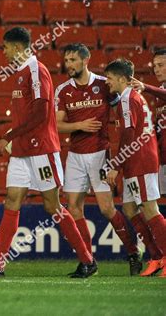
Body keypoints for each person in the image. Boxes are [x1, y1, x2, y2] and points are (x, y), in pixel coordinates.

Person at [0, 27, 96, 279]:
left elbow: (40, 114)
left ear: (16, 47)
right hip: (22, 151)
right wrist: (13, 138)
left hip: (41, 149)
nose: (3, 52)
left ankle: (87, 260)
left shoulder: (36, 71)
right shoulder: (19, 73)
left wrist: (7, 137)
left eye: (5, 47)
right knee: (12, 200)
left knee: (52, 205)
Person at [55, 44, 141, 275]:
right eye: (66, 60)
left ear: (85, 60)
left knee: (106, 208)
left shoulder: (105, 85)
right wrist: (79, 125)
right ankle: (88, 261)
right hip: (75, 155)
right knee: (73, 208)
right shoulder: (63, 90)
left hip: (100, 154)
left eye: (73, 60)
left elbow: (124, 106)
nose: (69, 64)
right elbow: (56, 124)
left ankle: (133, 253)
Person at [104, 58, 166, 278]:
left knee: (150, 209)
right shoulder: (126, 98)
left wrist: (115, 166)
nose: (107, 83)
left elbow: (129, 136)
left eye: (110, 78)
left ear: (122, 79)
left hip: (140, 160)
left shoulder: (129, 99)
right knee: (130, 209)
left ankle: (164, 256)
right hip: (134, 161)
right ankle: (156, 256)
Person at [128, 49, 166, 276]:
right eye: (155, 65)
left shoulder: (157, 93)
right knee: (149, 207)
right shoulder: (158, 97)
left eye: (162, 64)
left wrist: (147, 87)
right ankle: (158, 257)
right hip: (161, 162)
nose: (157, 69)